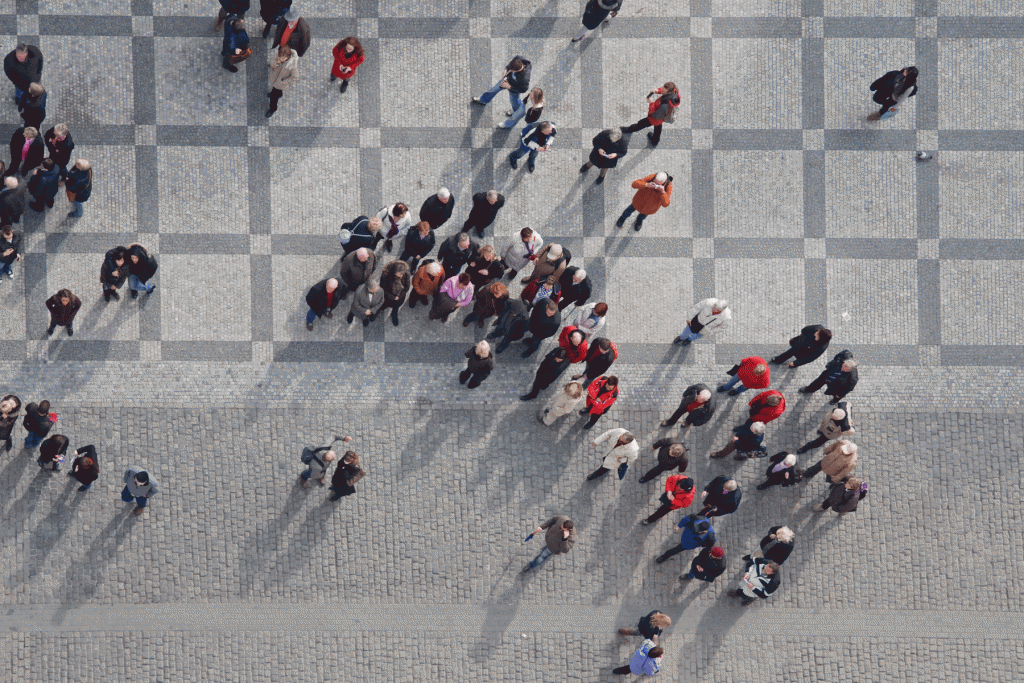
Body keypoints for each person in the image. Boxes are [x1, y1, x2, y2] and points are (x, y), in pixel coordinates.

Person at [472, 55, 532, 120]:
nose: (511, 71)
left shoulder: (525, 78)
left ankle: (516, 111)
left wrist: (509, 87)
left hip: (514, 88)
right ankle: (483, 100)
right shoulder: (518, 59)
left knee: (515, 102)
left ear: (516, 70)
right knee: (493, 90)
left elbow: (523, 90)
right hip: (507, 80)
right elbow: (509, 65)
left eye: (512, 71)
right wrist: (506, 70)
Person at [625, 82, 679, 147]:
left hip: (654, 119)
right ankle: (655, 141)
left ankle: (629, 129)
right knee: (658, 127)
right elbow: (663, 91)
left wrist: (651, 103)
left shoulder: (664, 105)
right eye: (662, 88)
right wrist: (658, 91)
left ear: (669, 92)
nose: (661, 90)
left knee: (640, 124)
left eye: (663, 91)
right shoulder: (674, 91)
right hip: (661, 118)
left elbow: (656, 116)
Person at [266, 45, 299, 118]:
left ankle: (272, 109)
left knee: (273, 99)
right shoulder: (279, 55)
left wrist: (284, 81)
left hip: (280, 84)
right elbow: (271, 63)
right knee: (275, 90)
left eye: (283, 58)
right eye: (280, 57)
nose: (281, 59)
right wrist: (277, 62)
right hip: (275, 80)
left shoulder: (292, 65)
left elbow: (295, 77)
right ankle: (279, 94)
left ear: (288, 57)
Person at [379, 260, 411, 326]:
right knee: (385, 304)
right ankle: (382, 307)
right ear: (395, 271)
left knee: (396, 307)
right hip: (388, 296)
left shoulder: (405, 274)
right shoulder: (386, 275)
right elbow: (383, 289)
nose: (402, 276)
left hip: (399, 297)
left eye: (402, 274)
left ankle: (394, 314)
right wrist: (393, 297)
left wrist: (399, 296)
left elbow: (407, 287)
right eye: (400, 274)